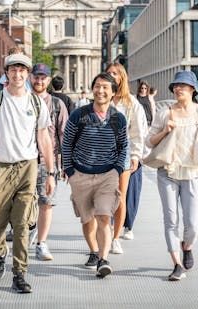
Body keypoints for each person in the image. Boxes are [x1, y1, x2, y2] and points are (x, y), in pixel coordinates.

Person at [0, 53, 56, 294]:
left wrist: (50, 172)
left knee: (22, 223)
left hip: (27, 167)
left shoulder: (36, 103)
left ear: (27, 74)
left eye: (22, 70)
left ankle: (19, 273)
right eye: (13, 70)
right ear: (6, 73)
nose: (18, 75)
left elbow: (44, 138)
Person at [147, 70, 198, 281]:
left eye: (182, 86)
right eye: (176, 86)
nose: (178, 89)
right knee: (171, 219)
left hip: (193, 171)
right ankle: (177, 264)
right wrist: (166, 130)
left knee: (192, 224)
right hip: (168, 170)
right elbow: (150, 141)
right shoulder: (164, 113)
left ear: (192, 90)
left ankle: (187, 246)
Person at [61, 72, 128, 278]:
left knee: (103, 216)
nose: (101, 91)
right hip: (80, 174)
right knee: (87, 219)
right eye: (98, 86)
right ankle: (93, 250)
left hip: (108, 175)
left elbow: (123, 146)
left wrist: (117, 170)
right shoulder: (79, 115)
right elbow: (66, 144)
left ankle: (103, 259)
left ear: (113, 92)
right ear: (93, 89)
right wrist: (70, 172)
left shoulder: (118, 118)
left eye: (106, 87)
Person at [105, 62, 148, 254]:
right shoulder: (101, 99)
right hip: (101, 154)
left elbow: (138, 132)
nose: (112, 76)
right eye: (109, 73)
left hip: (123, 153)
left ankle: (115, 238)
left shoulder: (131, 102)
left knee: (120, 196)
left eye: (116, 73)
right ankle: (103, 235)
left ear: (122, 77)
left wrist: (136, 155)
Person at [29, 62, 69, 261]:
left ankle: (41, 243)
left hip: (48, 162)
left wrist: (65, 165)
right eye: (36, 77)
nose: (39, 80)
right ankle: (29, 228)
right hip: (24, 161)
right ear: (31, 77)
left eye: (43, 77)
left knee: (46, 203)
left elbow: (65, 134)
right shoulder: (22, 101)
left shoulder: (56, 104)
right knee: (23, 203)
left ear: (48, 80)